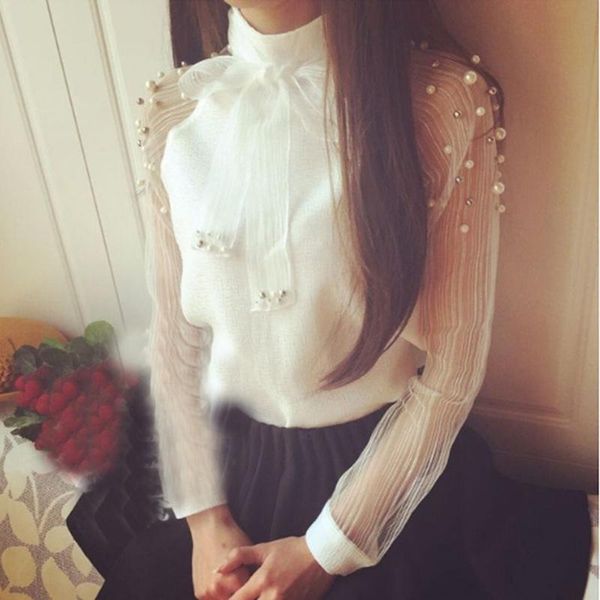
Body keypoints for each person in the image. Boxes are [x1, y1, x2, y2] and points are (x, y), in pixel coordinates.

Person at [98, 1, 592, 598]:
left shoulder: (442, 102)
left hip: (385, 474)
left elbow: (454, 369)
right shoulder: (173, 110)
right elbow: (175, 342)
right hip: (226, 476)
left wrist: (326, 549)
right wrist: (205, 521)